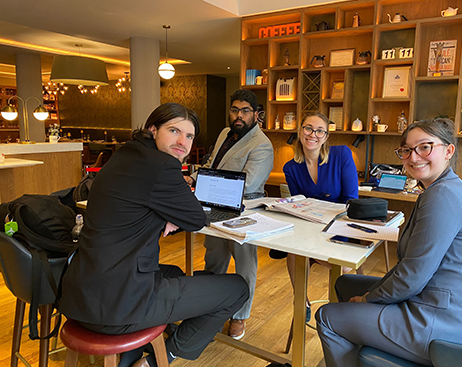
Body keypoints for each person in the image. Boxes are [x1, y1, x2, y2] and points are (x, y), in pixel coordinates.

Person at [58, 103, 249, 366]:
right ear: (153, 129)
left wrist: (166, 211)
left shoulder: (126, 153)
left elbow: (139, 198)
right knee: (238, 288)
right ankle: (160, 359)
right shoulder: (162, 166)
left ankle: (150, 341)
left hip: (82, 293)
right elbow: (195, 218)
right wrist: (171, 211)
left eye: (190, 136)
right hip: (118, 307)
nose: (183, 142)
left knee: (174, 273)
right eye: (174, 131)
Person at [315, 118, 462, 367]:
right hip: (453, 307)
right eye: (407, 150)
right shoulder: (441, 189)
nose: (414, 156)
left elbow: (412, 276)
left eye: (424, 147)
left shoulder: (442, 196)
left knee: (327, 316)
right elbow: (412, 268)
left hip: (448, 325)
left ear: (448, 151)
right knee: (346, 283)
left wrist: (368, 300)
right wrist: (369, 296)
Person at [186, 89, 274, 340]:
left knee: (244, 266)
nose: (238, 115)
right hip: (213, 207)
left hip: (244, 211)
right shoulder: (225, 133)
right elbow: (212, 163)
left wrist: (205, 185)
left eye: (245, 111)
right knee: (214, 258)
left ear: (256, 115)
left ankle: (240, 316)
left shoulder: (262, 145)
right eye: (235, 109)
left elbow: (247, 184)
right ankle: (211, 307)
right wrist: (193, 177)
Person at [275, 111, 358, 320]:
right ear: (300, 131)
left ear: (326, 136)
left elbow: (351, 200)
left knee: (343, 265)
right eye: (308, 128)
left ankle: (345, 315)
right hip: (310, 227)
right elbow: (298, 205)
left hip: (339, 226)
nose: (313, 134)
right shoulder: (291, 167)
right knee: (293, 252)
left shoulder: (342, 155)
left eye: (320, 130)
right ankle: (300, 299)